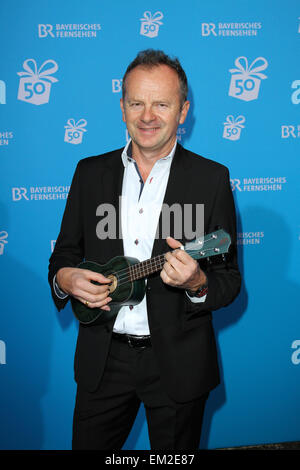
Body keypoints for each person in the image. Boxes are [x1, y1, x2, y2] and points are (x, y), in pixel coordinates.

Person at [48, 49, 241, 450]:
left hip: (178, 364)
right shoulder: (90, 173)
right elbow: (64, 255)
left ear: (183, 110)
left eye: (161, 103)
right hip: (103, 360)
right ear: (122, 107)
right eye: (137, 102)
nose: (147, 115)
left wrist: (198, 281)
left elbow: (229, 282)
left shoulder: (211, 179)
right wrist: (66, 279)